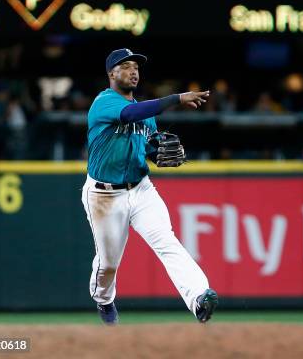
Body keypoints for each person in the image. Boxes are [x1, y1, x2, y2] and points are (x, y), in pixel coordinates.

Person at [81, 48, 217, 325]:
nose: (133, 71)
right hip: (105, 196)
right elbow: (130, 113)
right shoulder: (104, 103)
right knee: (108, 263)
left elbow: (149, 147)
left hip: (141, 189)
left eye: (136, 67)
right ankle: (104, 300)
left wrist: (157, 153)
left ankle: (199, 298)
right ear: (111, 73)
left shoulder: (146, 114)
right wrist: (177, 98)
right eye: (126, 66)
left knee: (166, 241)